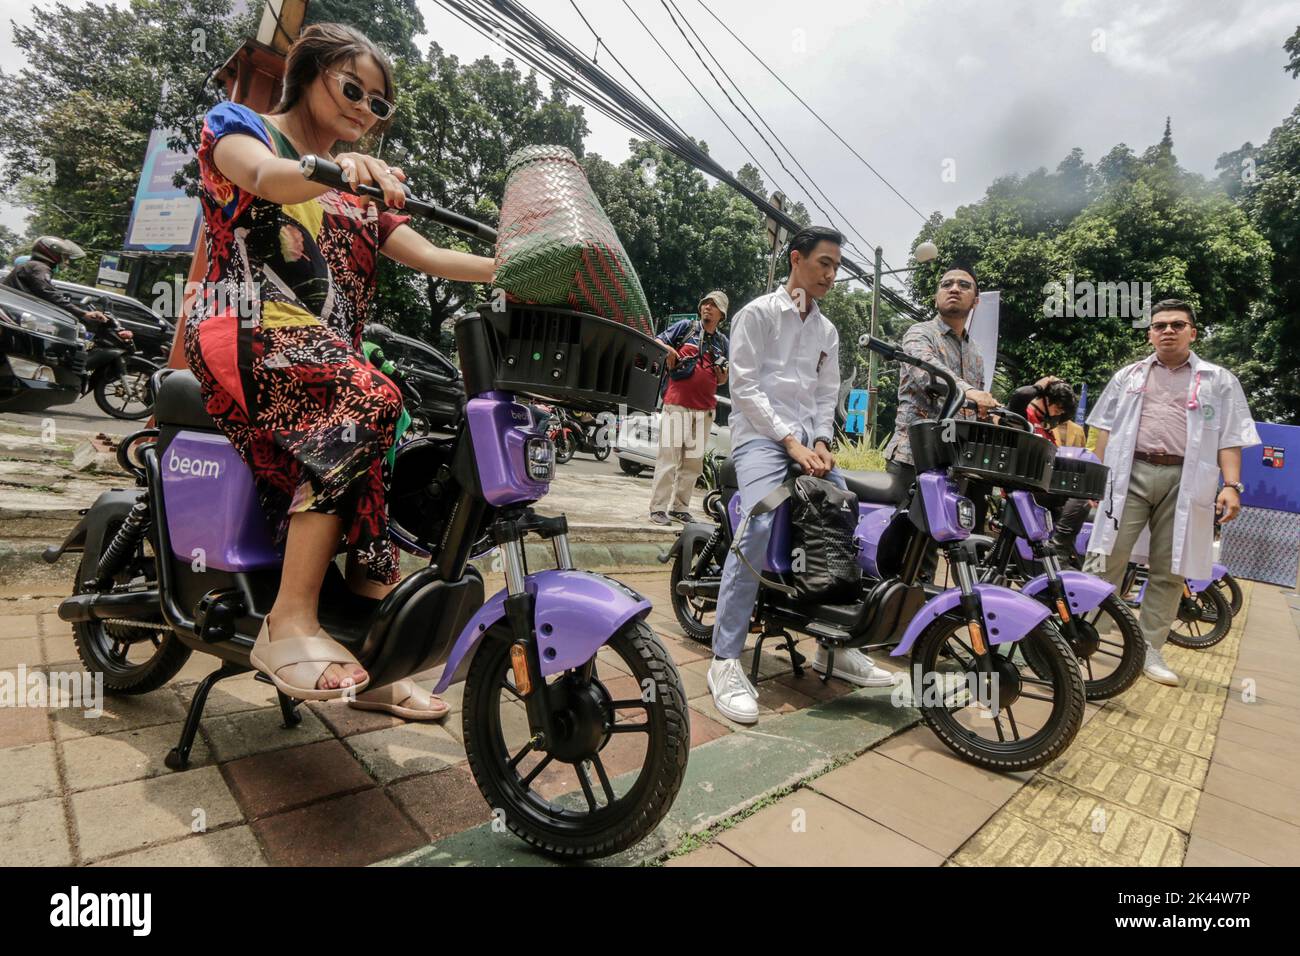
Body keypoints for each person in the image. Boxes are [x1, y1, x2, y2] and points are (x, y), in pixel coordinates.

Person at [183, 24, 495, 714]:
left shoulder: (361, 188)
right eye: (353, 89)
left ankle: (376, 659)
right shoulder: (244, 128)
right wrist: (333, 170)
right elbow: (263, 177)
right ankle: (287, 620)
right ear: (309, 73)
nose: (364, 111)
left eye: (378, 105)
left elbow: (435, 257)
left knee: (388, 430)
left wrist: (518, 271)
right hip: (244, 331)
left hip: (320, 356)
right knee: (369, 398)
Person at [707, 227, 894, 725]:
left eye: (837, 267)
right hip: (760, 440)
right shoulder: (757, 314)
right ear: (797, 259)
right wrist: (790, 442)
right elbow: (745, 388)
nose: (832, 274)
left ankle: (835, 644)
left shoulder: (827, 332)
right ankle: (725, 659)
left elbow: (823, 397)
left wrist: (821, 444)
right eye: (824, 264)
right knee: (761, 522)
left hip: (805, 445)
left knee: (845, 513)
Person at [1084, 300, 1258, 686]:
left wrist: (1231, 486)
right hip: (1127, 473)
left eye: (1177, 324)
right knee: (1104, 554)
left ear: (1192, 332)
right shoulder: (1128, 376)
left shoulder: (1218, 380)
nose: (1167, 330)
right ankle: (1083, 633)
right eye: (1159, 325)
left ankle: (1148, 649)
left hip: (1186, 478)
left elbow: (1231, 437)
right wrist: (1096, 476)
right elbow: (1105, 429)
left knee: (1169, 567)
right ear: (1149, 333)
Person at [649, 292, 730, 524]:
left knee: (693, 463)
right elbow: (656, 341)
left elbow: (723, 381)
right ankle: (658, 508)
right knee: (669, 459)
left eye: (713, 305)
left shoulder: (723, 343)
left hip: (704, 409)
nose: (707, 307)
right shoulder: (687, 328)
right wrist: (670, 351)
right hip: (678, 403)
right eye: (705, 303)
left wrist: (721, 373)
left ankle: (680, 508)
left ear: (721, 314)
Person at [1007, 377, 1091, 552]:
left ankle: (1061, 551)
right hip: (1024, 487)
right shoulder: (1024, 416)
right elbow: (1019, 396)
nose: (1057, 414)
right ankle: (1058, 550)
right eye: (1057, 409)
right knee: (1079, 500)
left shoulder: (1045, 426)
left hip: (1042, 486)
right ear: (1045, 400)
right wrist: (1041, 385)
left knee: (1082, 494)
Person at [3, 237, 115, 330]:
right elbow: (48, 292)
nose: (66, 261)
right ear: (52, 254)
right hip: (13, 313)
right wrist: (82, 313)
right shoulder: (40, 267)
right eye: (64, 257)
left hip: (13, 311)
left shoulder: (33, 265)